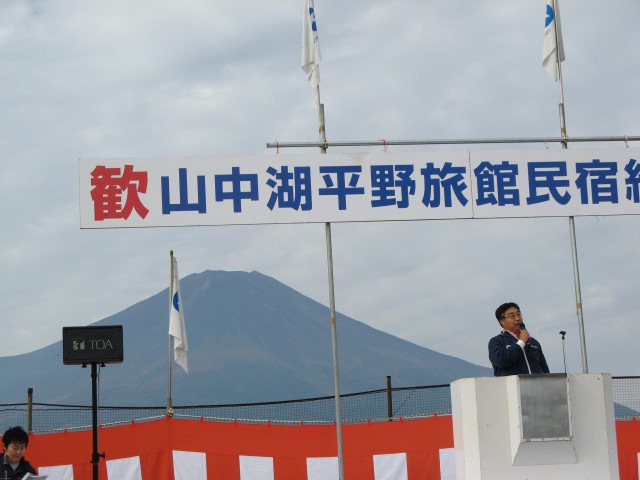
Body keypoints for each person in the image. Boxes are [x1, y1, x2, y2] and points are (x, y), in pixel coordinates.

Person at [488, 302, 550, 376]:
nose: (517, 318)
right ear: (502, 321)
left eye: (519, 314)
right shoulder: (496, 341)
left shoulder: (533, 342)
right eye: (512, 316)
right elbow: (501, 361)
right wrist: (521, 343)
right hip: (512, 383)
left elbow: (545, 369)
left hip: (538, 383)